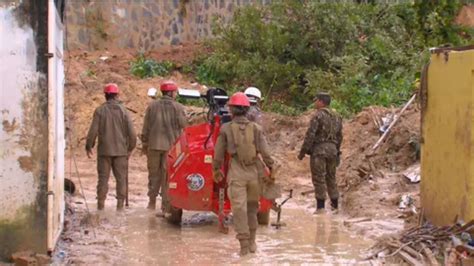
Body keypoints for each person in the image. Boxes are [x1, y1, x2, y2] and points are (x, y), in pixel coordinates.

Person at [213, 92, 274, 256]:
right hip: (254, 172)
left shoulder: (225, 129)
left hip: (237, 172)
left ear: (231, 110)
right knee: (252, 209)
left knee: (239, 209)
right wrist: (272, 168)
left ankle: (244, 246)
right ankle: (252, 242)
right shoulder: (257, 128)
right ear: (247, 109)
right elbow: (266, 153)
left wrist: (216, 170)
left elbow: (218, 155)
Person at [85, 83, 137, 211]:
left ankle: (100, 206)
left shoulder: (100, 110)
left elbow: (93, 131)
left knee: (103, 179)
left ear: (105, 95)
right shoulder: (124, 111)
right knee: (121, 179)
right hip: (121, 152)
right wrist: (130, 149)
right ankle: (120, 207)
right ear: (117, 95)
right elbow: (132, 134)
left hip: (104, 151)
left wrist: (89, 145)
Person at [141, 80, 187, 212]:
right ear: (172, 93)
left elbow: (146, 128)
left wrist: (145, 143)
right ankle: (165, 206)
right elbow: (184, 125)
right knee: (168, 177)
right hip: (170, 149)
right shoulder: (178, 107)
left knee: (153, 175)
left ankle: (151, 203)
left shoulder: (152, 106)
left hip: (154, 146)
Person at [298, 92, 343, 214]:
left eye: (316, 100)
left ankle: (321, 207)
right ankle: (335, 206)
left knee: (319, 178)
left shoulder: (318, 116)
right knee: (331, 177)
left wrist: (303, 152)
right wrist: (337, 151)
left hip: (319, 151)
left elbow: (310, 135)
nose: (314, 102)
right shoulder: (337, 116)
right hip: (333, 151)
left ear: (321, 102)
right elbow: (340, 136)